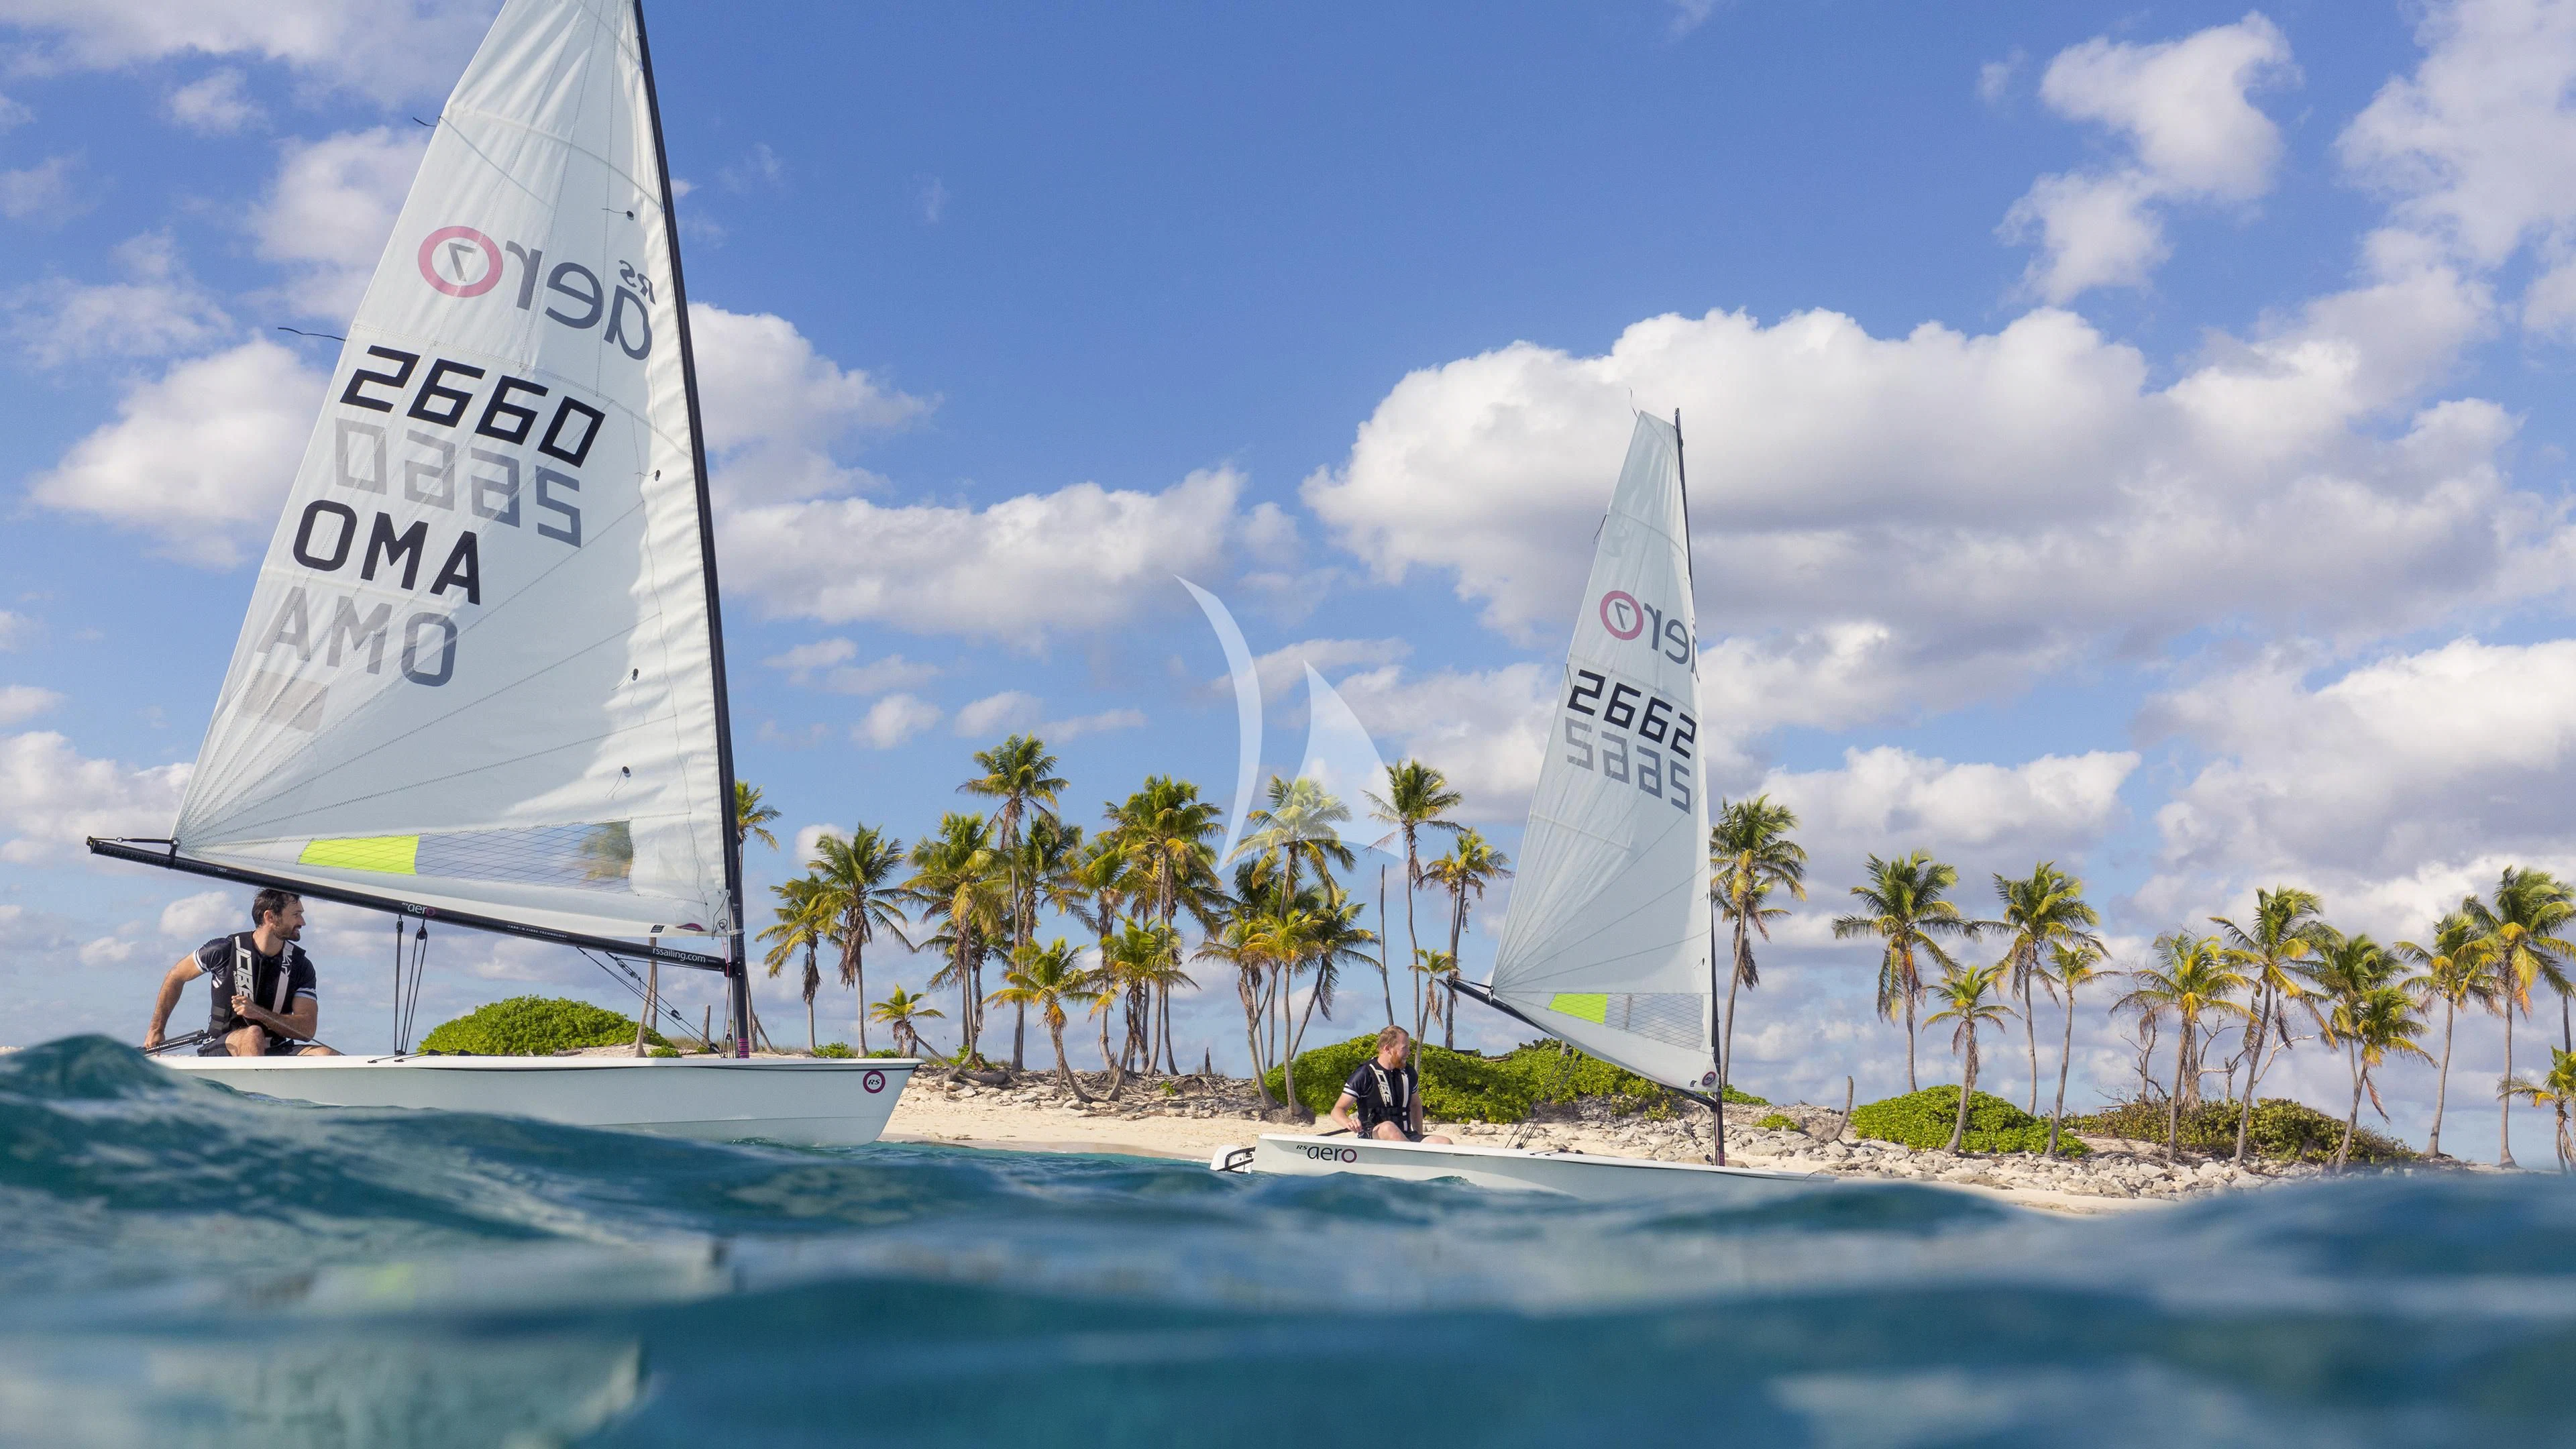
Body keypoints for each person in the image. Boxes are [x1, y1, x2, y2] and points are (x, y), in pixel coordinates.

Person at [144, 888, 338, 1057]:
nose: (302, 921)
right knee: (253, 1034)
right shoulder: (223, 950)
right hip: (223, 1046)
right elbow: (176, 976)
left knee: (327, 1055)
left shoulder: (301, 966)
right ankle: (255, 1098)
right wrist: (156, 1029)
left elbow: (307, 1029)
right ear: (270, 917)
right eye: (296, 914)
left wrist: (260, 1014)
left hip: (276, 1049)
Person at [1329, 1024, 1450, 1143]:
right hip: (1373, 1135)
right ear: (1388, 1049)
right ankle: (1412, 1156)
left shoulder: (1409, 1072)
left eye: (1409, 1048)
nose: (1409, 1053)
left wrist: (1419, 1135)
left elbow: (1415, 1105)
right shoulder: (1365, 1073)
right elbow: (1338, 1110)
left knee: (1444, 1142)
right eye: (1404, 1048)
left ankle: (1415, 1156)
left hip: (1406, 1135)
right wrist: (1348, 1122)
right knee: (1389, 1128)